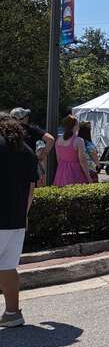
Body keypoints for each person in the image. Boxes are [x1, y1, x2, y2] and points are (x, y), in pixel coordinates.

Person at [0, 114, 38, 328]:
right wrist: (23, 215)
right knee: (7, 266)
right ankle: (12, 313)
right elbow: (30, 190)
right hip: (16, 219)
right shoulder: (27, 151)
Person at [54, 115, 92, 186]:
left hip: (61, 173)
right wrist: (88, 177)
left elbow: (58, 159)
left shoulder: (58, 140)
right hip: (75, 173)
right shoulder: (79, 141)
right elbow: (83, 161)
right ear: (75, 126)